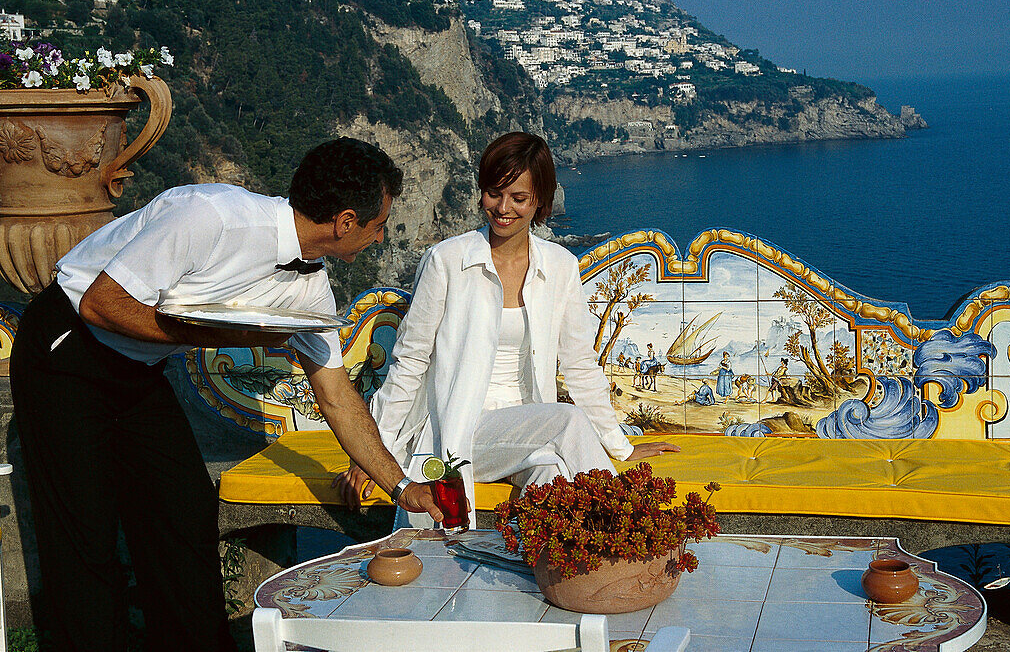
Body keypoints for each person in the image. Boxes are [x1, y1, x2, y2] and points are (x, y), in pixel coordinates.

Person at [10, 137, 442, 652]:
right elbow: (102, 305)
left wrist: (400, 485)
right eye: (378, 226)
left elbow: (337, 397)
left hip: (138, 368)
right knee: (84, 534)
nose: (378, 240)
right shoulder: (211, 217)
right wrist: (224, 336)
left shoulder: (311, 291)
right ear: (345, 222)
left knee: (185, 512)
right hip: (66, 350)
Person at [336, 132, 678, 522]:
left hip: (527, 431)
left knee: (552, 479)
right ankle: (624, 535)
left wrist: (623, 447)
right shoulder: (447, 261)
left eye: (519, 198)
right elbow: (409, 362)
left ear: (540, 202)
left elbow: (580, 366)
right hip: (462, 427)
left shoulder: (561, 267)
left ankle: (528, 571)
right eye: (494, 193)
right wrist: (371, 455)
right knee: (566, 420)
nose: (503, 208)